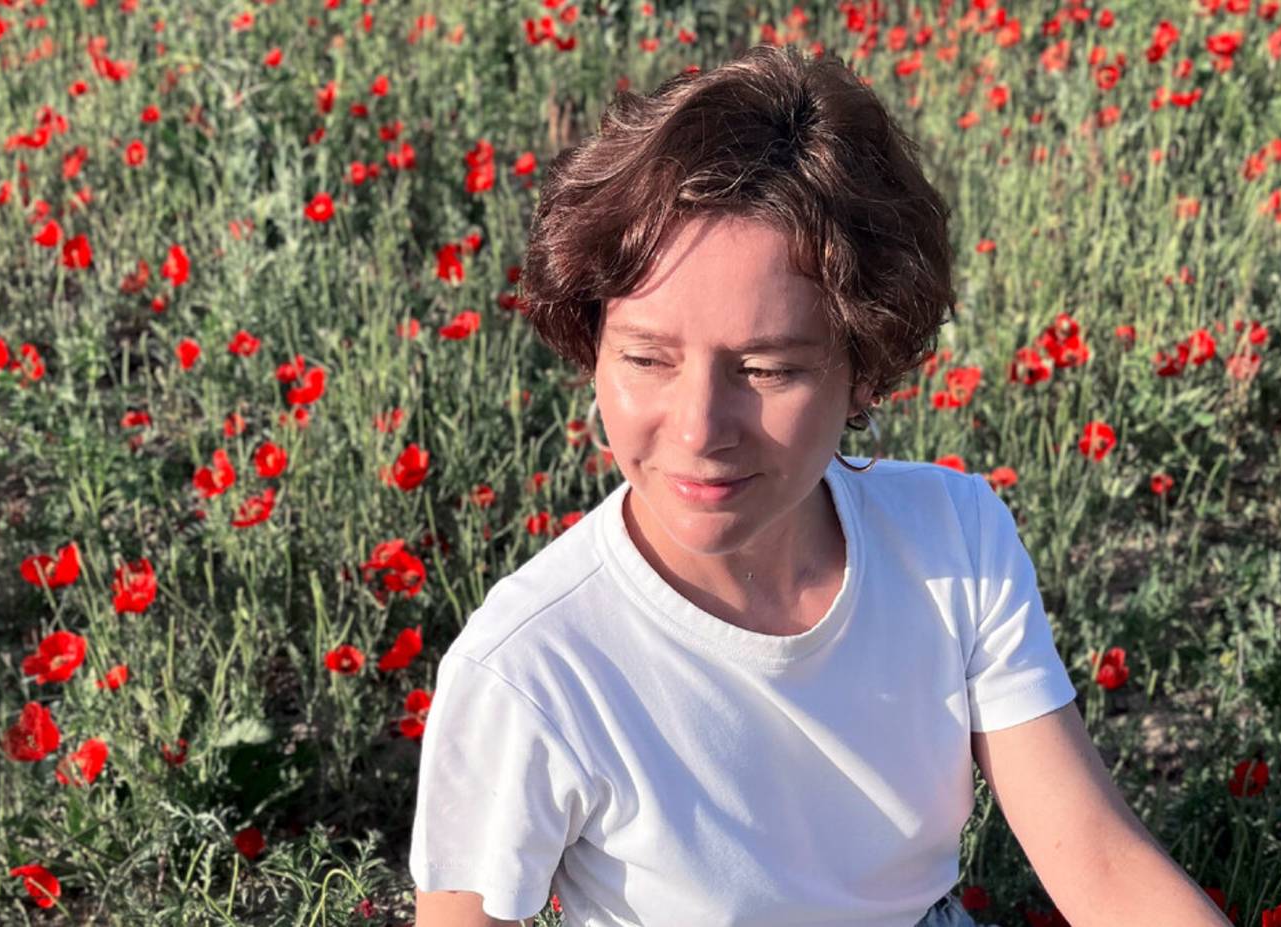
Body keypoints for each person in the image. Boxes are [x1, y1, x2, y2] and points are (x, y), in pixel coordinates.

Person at [410, 44, 1230, 927]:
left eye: (766, 369)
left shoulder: (952, 541)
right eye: (646, 359)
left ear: (865, 370)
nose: (698, 429)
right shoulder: (530, 667)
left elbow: (1101, 866)